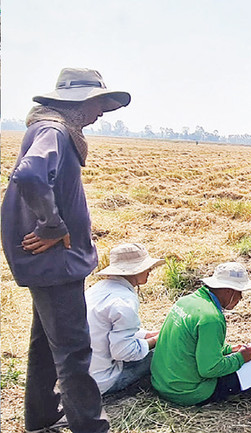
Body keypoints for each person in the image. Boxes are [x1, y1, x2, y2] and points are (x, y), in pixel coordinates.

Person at [1, 68, 130, 433]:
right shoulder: (54, 130)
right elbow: (29, 175)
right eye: (99, 102)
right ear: (79, 102)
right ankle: (91, 426)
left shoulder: (50, 127)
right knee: (74, 351)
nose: (103, 111)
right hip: (56, 261)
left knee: (45, 344)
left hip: (49, 262)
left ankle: (42, 416)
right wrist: (53, 226)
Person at [150, 262, 251, 406]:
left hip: (161, 383)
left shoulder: (185, 301)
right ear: (229, 291)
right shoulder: (212, 318)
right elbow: (209, 369)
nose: (241, 297)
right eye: (239, 292)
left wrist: (228, 349)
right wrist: (240, 358)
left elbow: (193, 345)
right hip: (187, 392)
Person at [86, 243, 164, 395]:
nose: (150, 270)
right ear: (134, 271)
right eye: (146, 267)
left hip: (77, 374)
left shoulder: (98, 289)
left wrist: (145, 335)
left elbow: (107, 329)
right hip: (101, 381)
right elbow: (124, 352)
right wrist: (156, 341)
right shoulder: (124, 301)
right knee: (162, 354)